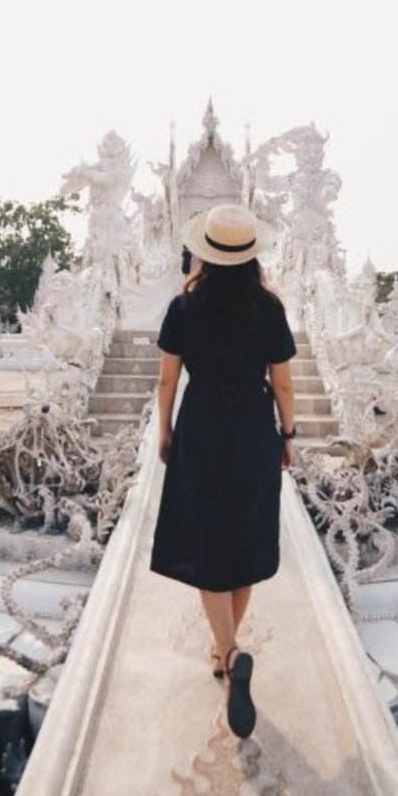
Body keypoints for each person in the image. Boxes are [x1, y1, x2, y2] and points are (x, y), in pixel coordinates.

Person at [151, 204, 297, 739]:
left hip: (203, 424)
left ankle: (229, 652)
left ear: (205, 254)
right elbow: (283, 382)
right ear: (251, 256)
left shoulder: (184, 306)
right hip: (253, 425)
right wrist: (288, 435)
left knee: (207, 539)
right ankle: (224, 651)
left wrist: (165, 430)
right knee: (245, 538)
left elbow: (167, 381)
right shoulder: (268, 307)